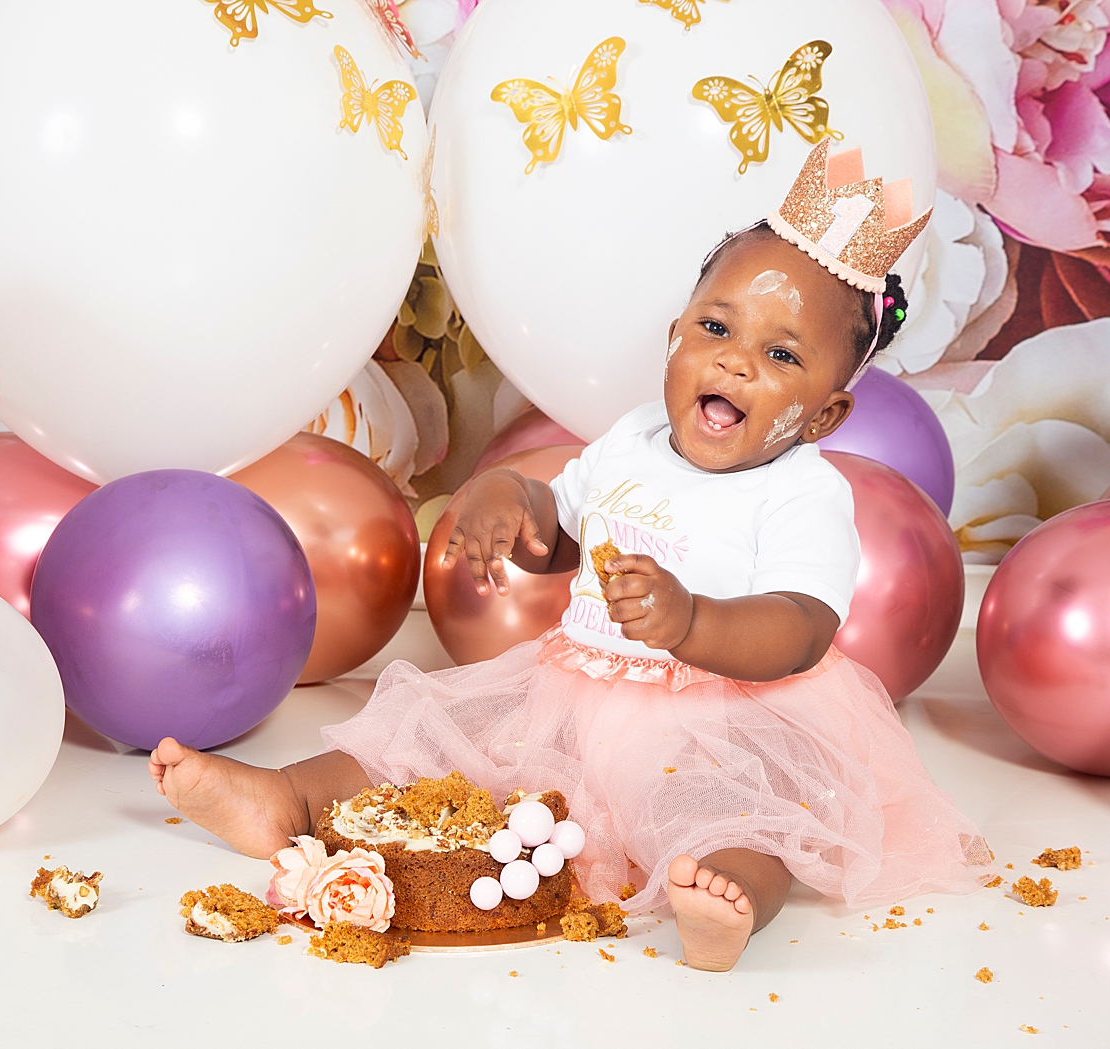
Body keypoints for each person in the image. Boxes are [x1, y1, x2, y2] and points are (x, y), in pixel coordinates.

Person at [149, 141, 991, 971]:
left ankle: (730, 898)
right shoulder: (633, 441)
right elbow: (565, 538)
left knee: (735, 817)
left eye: (782, 355)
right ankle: (290, 796)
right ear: (675, 338)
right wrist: (512, 498)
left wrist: (691, 621)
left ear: (825, 415)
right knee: (432, 741)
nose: (735, 359)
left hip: (723, 722)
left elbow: (802, 628)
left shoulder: (801, 492)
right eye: (715, 327)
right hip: (575, 690)